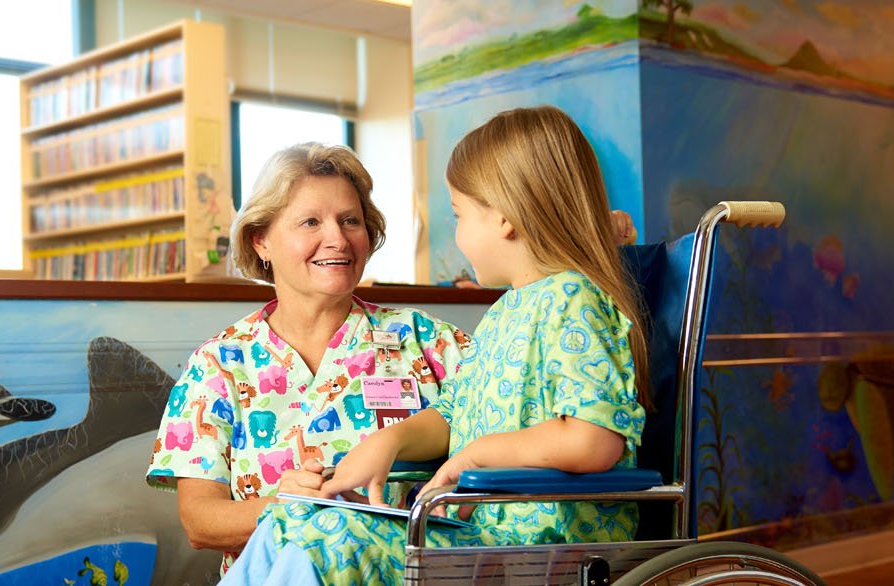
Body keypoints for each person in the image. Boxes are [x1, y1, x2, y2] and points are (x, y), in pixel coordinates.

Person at [222, 105, 651, 585]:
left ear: (506, 219)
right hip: (484, 538)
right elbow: (452, 413)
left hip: (538, 549)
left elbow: (594, 440)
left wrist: (474, 455)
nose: (456, 232)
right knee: (291, 520)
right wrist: (389, 440)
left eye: (459, 214)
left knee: (330, 539)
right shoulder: (507, 312)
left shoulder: (572, 301)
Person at [146, 143, 473, 575]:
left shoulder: (430, 343)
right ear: (260, 239)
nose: (337, 238)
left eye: (350, 220)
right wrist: (284, 509)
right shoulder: (219, 364)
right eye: (311, 222)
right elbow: (199, 521)